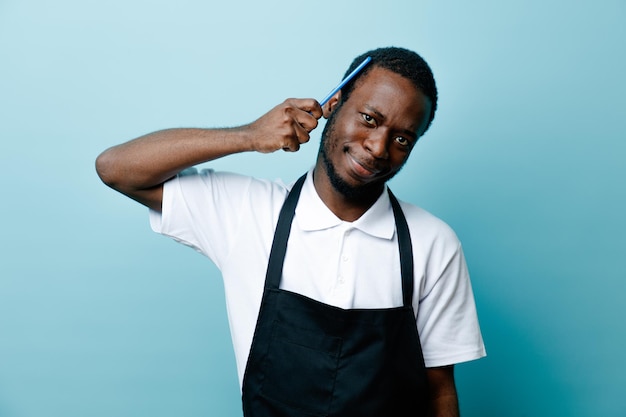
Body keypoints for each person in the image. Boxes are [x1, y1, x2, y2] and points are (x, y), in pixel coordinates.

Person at [96, 46, 486, 417]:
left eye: (402, 138)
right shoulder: (247, 213)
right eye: (369, 118)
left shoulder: (433, 243)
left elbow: (438, 390)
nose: (378, 147)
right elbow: (117, 169)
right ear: (333, 105)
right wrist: (249, 136)